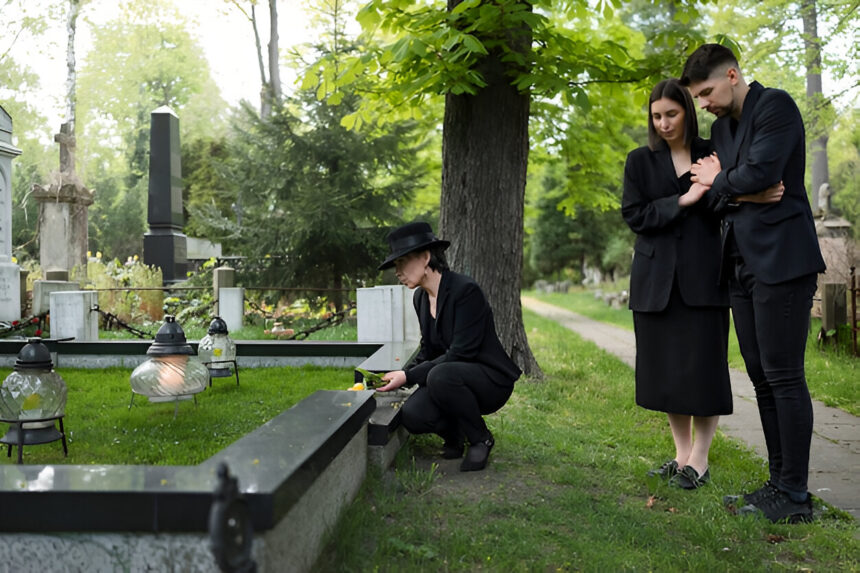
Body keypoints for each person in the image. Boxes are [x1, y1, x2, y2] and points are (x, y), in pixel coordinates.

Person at [682, 44, 826, 523]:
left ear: (733, 74)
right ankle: (778, 484)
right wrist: (739, 187)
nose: (703, 104)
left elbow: (763, 172)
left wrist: (727, 178)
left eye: (707, 92)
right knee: (762, 379)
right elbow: (717, 199)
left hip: (784, 260)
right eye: (697, 97)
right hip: (739, 265)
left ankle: (796, 497)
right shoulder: (723, 128)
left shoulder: (776, 106)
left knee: (784, 377)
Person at [622, 78, 780, 490]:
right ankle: (681, 455)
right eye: (656, 116)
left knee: (703, 370)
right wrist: (682, 201)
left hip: (705, 277)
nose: (663, 123)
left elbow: (727, 199)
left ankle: (702, 460)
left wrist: (734, 193)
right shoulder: (639, 161)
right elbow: (635, 215)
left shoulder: (713, 153)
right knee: (669, 373)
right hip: (655, 283)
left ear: (687, 113)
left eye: (671, 114)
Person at [375, 222, 521, 472]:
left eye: (402, 262)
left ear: (425, 257)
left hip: (488, 380)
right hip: (452, 378)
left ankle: (480, 438)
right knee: (413, 414)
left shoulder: (466, 291)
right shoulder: (420, 297)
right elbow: (428, 350)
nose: (397, 271)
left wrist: (407, 376)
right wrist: (397, 377)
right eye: (395, 266)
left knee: (441, 375)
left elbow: (462, 352)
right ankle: (454, 435)